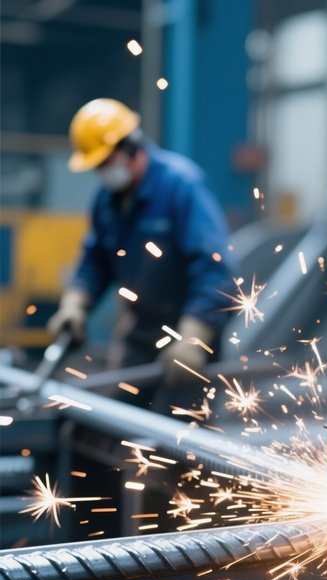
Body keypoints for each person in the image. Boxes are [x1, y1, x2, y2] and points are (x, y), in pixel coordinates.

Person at [48, 98, 235, 406]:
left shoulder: (182, 186)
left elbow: (214, 269)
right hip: (139, 332)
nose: (102, 172)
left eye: (105, 162)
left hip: (188, 333)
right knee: (122, 421)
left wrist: (194, 337)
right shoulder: (107, 199)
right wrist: (75, 304)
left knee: (180, 436)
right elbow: (95, 259)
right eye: (97, 166)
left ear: (131, 147)